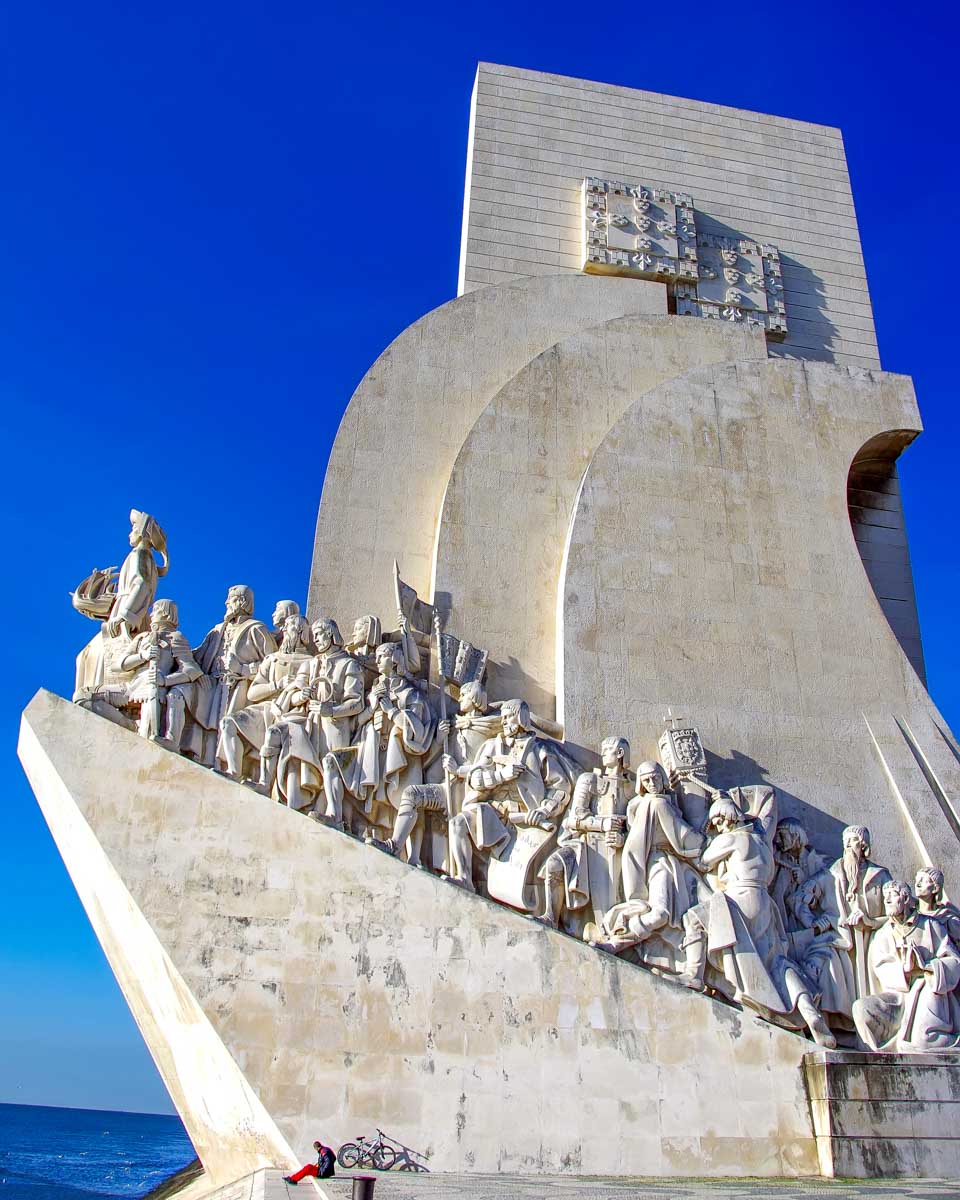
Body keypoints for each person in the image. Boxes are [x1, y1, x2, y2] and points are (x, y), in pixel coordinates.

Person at [679, 795, 836, 1047]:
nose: (719, 827)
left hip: (739, 898)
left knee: (694, 919)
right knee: (777, 963)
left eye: (719, 822)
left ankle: (693, 975)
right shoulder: (762, 842)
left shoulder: (731, 839)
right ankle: (808, 1010)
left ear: (727, 819)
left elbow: (704, 861)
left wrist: (709, 839)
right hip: (765, 905)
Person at [594, 759, 705, 969]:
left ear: (662, 777)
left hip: (664, 864)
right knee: (663, 913)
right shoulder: (657, 803)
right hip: (661, 863)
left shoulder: (653, 803)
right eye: (646, 780)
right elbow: (684, 838)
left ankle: (692, 969)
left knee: (678, 917)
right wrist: (706, 840)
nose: (652, 783)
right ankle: (616, 943)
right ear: (641, 784)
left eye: (655, 777)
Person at [538, 735, 633, 937]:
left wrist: (623, 839)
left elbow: (639, 828)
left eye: (607, 749)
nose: (603, 753)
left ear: (620, 754)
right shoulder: (589, 780)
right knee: (554, 864)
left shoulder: (633, 789)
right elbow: (574, 818)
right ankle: (550, 917)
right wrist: (602, 823)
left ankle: (609, 934)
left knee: (608, 908)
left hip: (616, 851)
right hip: (582, 846)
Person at [853, 880, 960, 1052]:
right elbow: (880, 967)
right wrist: (905, 970)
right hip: (897, 997)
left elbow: (954, 961)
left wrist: (927, 967)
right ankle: (878, 1059)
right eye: (885, 896)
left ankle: (947, 1041)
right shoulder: (883, 934)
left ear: (905, 899)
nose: (886, 900)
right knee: (860, 1009)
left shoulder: (931, 926)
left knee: (924, 1041)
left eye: (892, 895)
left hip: (927, 988)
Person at [219, 614, 315, 783]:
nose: (284, 630)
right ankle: (234, 772)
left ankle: (264, 782)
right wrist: (277, 685)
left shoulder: (312, 662)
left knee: (274, 735)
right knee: (228, 723)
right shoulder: (272, 659)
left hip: (292, 713)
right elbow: (252, 693)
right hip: (266, 708)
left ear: (300, 631)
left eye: (289, 626)